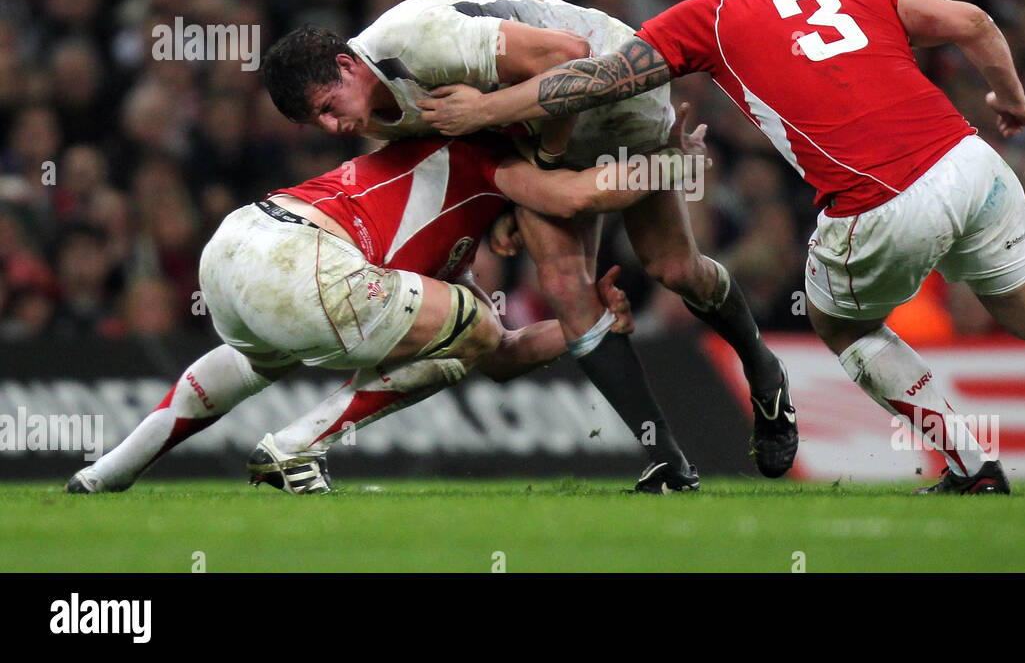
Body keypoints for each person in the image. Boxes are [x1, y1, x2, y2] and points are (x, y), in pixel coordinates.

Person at [419, 0, 1025, 495]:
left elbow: (597, 79)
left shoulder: (710, 14)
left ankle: (970, 458)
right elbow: (972, 22)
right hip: (971, 159)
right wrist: (1012, 99)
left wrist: (487, 113)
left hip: (881, 197)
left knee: (837, 321)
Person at [259, 0, 798, 490]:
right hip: (533, 129)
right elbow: (476, 155)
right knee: (566, 286)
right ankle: (670, 464)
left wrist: (530, 150)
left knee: (674, 269)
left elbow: (569, 54)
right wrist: (506, 206)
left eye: (329, 106)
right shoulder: (377, 112)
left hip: (613, 83)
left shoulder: (414, 40)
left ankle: (762, 367)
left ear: (348, 65)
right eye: (316, 123)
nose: (332, 128)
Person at [68, 118, 701, 494]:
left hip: (240, 243)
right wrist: (669, 165)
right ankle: (295, 446)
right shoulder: (486, 160)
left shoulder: (449, 258)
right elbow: (571, 197)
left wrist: (580, 324)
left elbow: (501, 354)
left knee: (257, 358)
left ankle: (107, 473)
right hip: (305, 253)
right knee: (467, 328)